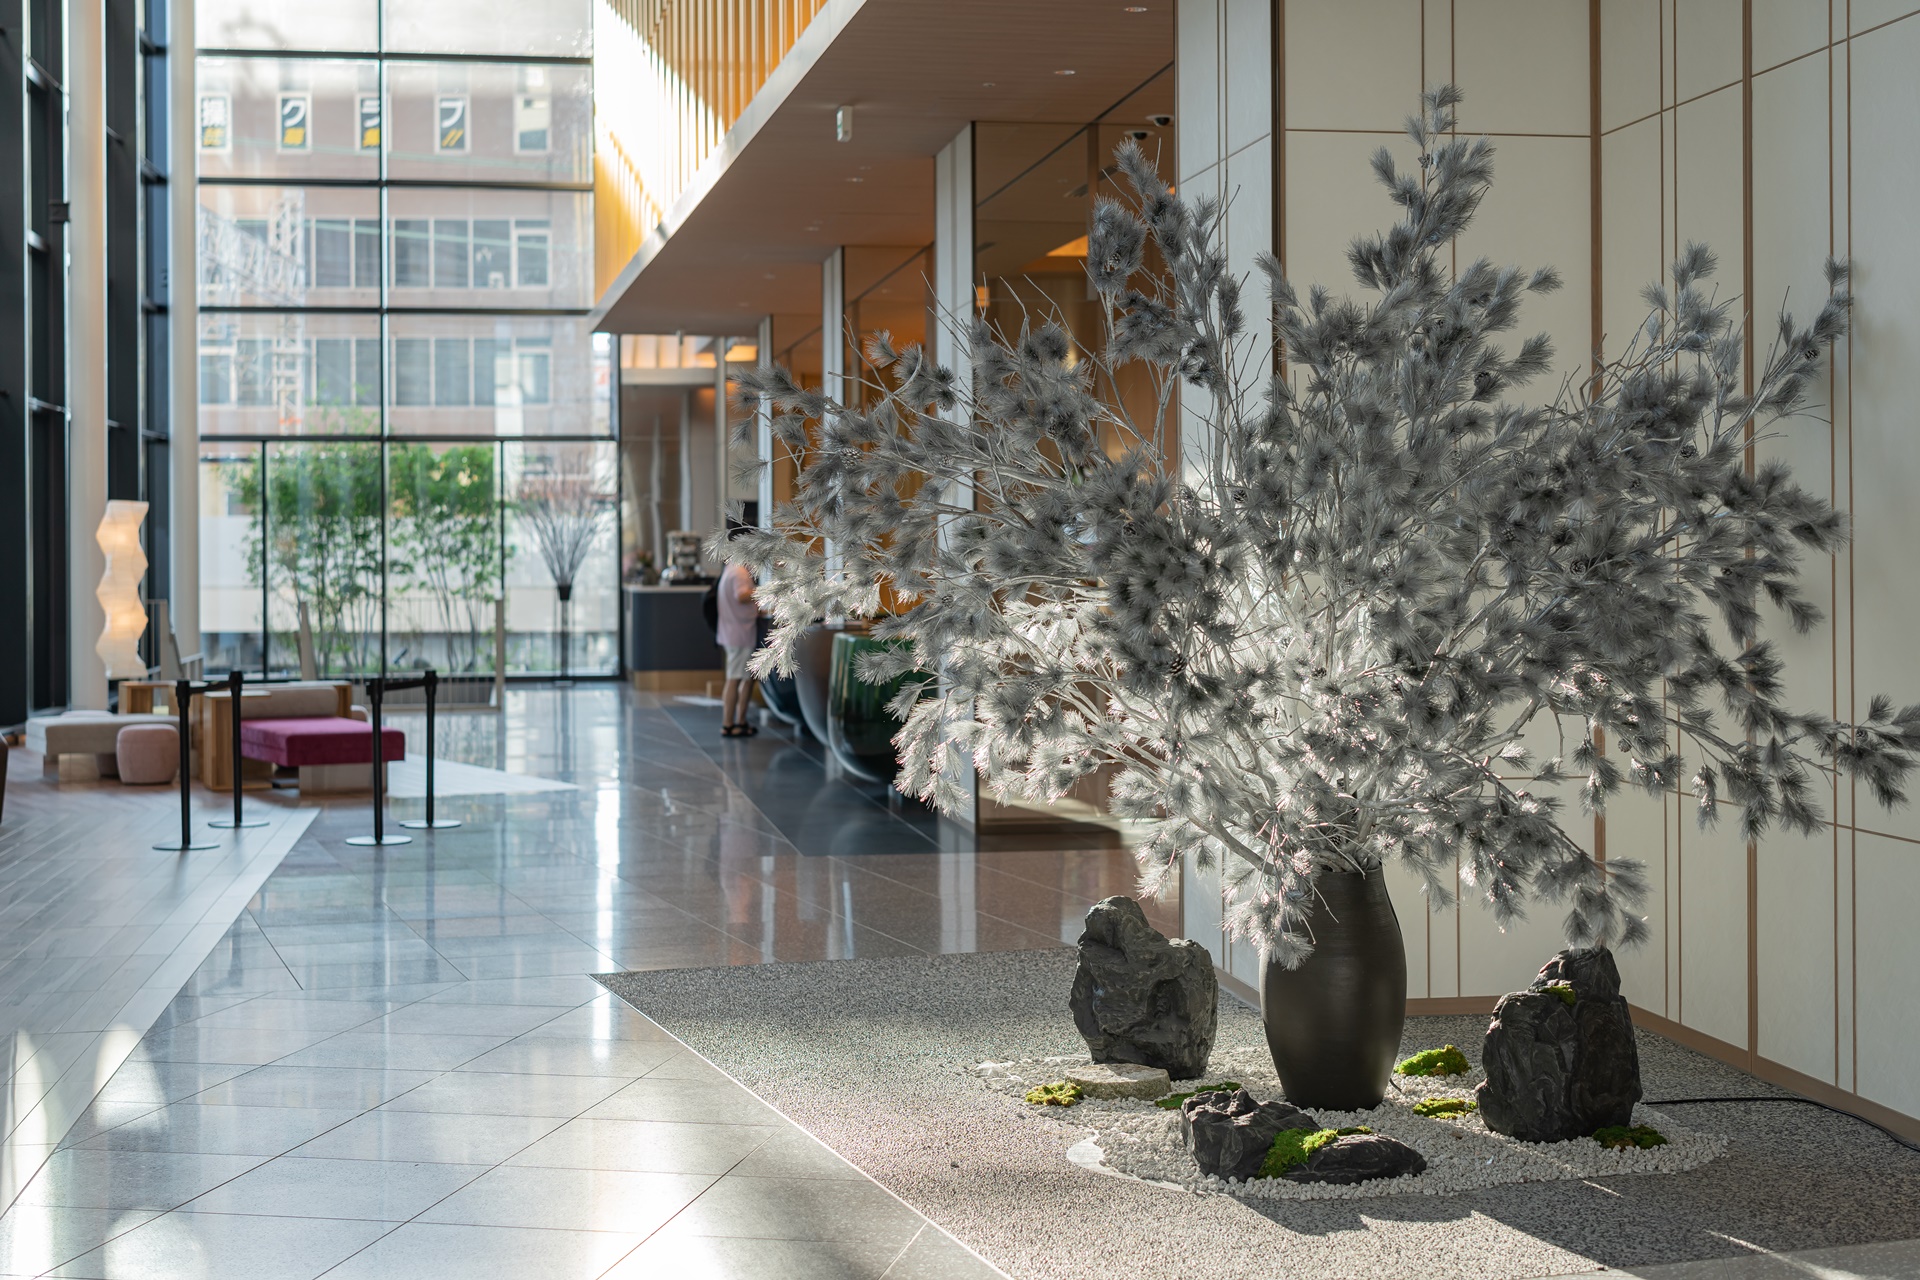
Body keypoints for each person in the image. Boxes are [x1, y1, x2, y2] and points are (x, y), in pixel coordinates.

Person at [717, 556, 760, 737]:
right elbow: (741, 595)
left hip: (732, 632)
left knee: (744, 678)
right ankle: (728, 724)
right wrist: (763, 591)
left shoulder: (730, 569)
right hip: (739, 634)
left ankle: (740, 721)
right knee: (734, 679)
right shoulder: (739, 572)